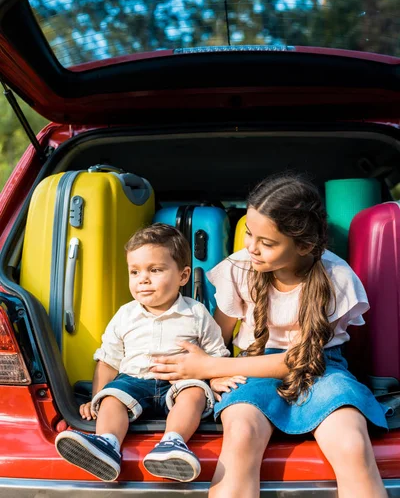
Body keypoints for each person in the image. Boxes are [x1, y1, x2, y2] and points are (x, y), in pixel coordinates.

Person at [150, 173, 389, 498]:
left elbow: (299, 362)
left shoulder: (336, 278)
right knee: (241, 435)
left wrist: (209, 368)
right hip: (248, 367)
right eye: (249, 233)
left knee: (352, 442)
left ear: (304, 244)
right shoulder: (239, 268)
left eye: (267, 242)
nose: (251, 247)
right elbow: (217, 338)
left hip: (322, 371)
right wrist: (215, 370)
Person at [55, 223, 231, 483]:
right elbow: (108, 360)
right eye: (134, 272)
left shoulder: (196, 313)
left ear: (183, 276)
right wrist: (96, 400)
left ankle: (173, 443)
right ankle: (106, 444)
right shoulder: (125, 314)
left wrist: (215, 379)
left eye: (155, 270)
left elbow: (216, 355)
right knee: (112, 398)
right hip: (133, 381)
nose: (143, 279)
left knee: (194, 393)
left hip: (179, 382)